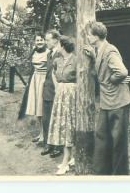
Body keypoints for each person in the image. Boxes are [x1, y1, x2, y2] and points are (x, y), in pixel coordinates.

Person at [84, 21, 130, 175]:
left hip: (118, 102)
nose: (87, 37)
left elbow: (122, 72)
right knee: (102, 137)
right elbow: (97, 73)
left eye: (89, 35)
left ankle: (119, 175)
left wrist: (111, 80)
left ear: (96, 36)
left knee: (118, 141)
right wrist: (92, 58)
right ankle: (102, 172)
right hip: (106, 101)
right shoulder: (99, 51)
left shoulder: (110, 51)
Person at [47, 36, 77, 175]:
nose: (56, 45)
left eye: (58, 44)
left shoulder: (76, 60)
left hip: (71, 95)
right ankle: (70, 157)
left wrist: (73, 88)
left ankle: (66, 161)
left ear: (63, 46)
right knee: (62, 124)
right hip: (60, 95)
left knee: (69, 125)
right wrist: (57, 85)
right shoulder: (57, 60)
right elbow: (53, 73)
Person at [41, 30, 63, 158]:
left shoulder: (60, 54)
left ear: (55, 40)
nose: (45, 42)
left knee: (57, 119)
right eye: (45, 39)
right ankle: (48, 144)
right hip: (47, 90)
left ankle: (58, 146)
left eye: (48, 40)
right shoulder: (49, 54)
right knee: (46, 119)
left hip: (56, 91)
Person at [26, 33, 50, 144]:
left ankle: (45, 135)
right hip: (35, 80)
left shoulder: (48, 52)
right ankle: (41, 133)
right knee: (37, 108)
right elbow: (32, 68)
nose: (39, 42)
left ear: (44, 41)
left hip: (44, 79)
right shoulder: (34, 52)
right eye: (37, 40)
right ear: (34, 42)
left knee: (42, 108)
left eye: (41, 40)